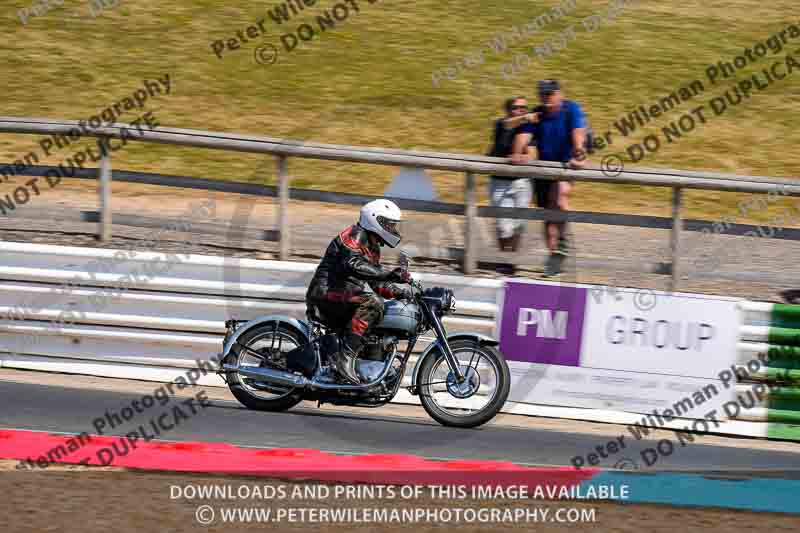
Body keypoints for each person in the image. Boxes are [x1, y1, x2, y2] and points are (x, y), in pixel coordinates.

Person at [305, 199, 413, 384]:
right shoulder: (354, 234)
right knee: (372, 303)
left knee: (382, 309)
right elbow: (353, 264)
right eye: (388, 224)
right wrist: (390, 273)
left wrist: (401, 293)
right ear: (374, 220)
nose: (392, 229)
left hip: (344, 297)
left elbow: (377, 283)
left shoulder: (373, 247)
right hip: (326, 293)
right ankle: (344, 360)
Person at [506, 79, 587, 276]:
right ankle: (554, 261)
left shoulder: (571, 109)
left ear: (560, 94)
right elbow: (517, 132)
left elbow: (578, 134)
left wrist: (579, 154)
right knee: (548, 217)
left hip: (565, 166)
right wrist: (517, 153)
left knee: (559, 196)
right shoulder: (537, 113)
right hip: (543, 170)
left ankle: (563, 241)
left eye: (550, 94)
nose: (546, 98)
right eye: (543, 94)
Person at [487, 97, 534, 269]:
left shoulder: (528, 128)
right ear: (508, 110)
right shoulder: (501, 124)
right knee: (502, 226)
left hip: (522, 182)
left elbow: (532, 151)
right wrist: (525, 118)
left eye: (524, 107)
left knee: (519, 225)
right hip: (500, 181)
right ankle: (503, 260)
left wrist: (527, 156)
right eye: (517, 107)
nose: (521, 110)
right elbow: (507, 125)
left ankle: (510, 262)